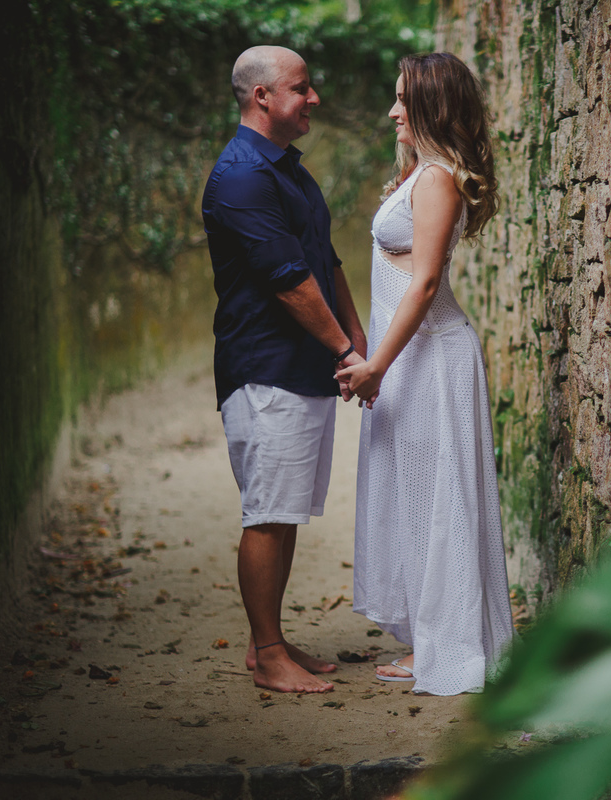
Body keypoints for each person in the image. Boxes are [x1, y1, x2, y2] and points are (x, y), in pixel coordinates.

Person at [336, 52, 514, 696]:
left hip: (432, 357)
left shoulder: (437, 179)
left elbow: (427, 280)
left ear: (433, 108)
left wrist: (375, 364)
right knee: (413, 493)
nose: (392, 112)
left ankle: (451, 642)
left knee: (437, 496)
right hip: (410, 356)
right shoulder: (424, 175)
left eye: (403, 101)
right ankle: (432, 632)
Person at [202, 45, 367, 694]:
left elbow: (325, 260)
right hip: (264, 367)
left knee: (285, 509)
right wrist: (346, 352)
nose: (314, 98)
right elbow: (290, 281)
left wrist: (354, 333)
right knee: (267, 512)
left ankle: (266, 639)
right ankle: (268, 655)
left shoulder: (288, 170)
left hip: (301, 364)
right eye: (302, 88)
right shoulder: (242, 176)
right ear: (262, 97)